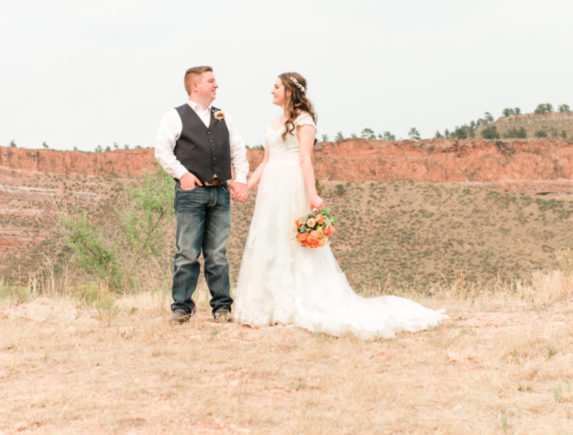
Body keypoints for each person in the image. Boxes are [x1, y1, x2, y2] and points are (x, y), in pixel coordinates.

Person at [233, 72, 446, 338]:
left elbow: (306, 161)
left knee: (293, 241)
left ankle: (294, 303)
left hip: (291, 186)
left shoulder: (304, 121)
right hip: (270, 189)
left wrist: (312, 195)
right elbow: (265, 161)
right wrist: (246, 186)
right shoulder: (273, 122)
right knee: (270, 238)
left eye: (276, 87)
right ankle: (270, 305)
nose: (271, 91)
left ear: (289, 91)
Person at [154, 66, 249, 324]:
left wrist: (240, 180)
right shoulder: (175, 116)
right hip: (191, 194)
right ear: (195, 86)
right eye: (211, 81)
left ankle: (222, 307)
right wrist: (182, 173)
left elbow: (238, 151)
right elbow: (162, 151)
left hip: (221, 193)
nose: (216, 85)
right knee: (187, 253)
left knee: (217, 254)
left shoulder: (224, 117)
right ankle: (182, 307)